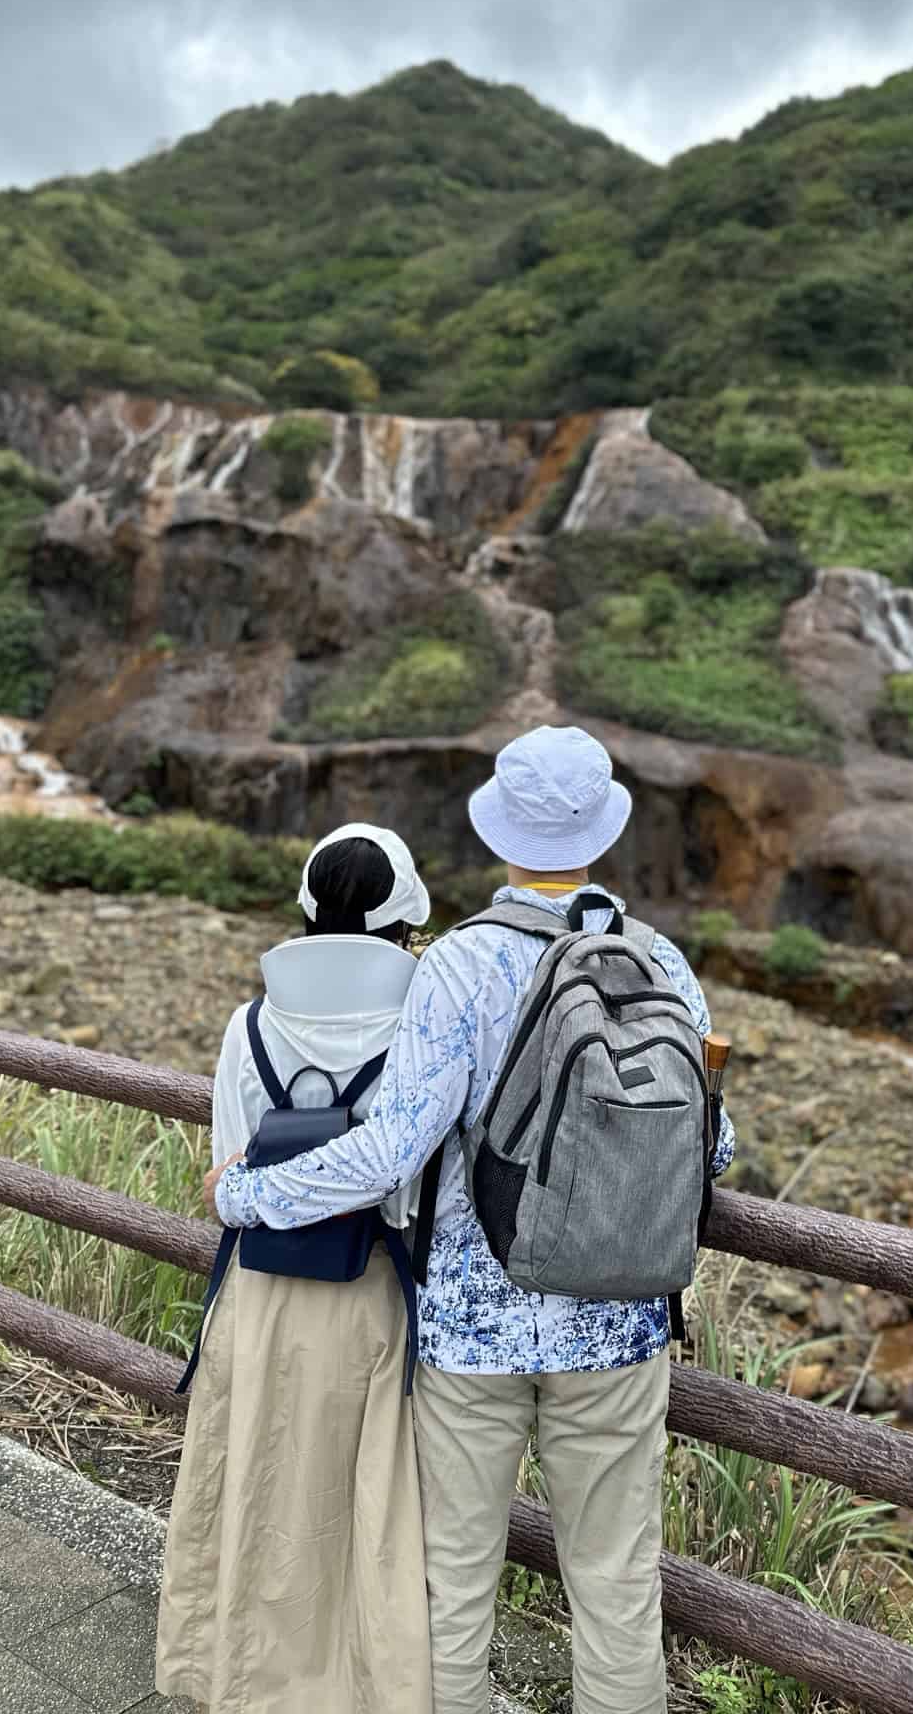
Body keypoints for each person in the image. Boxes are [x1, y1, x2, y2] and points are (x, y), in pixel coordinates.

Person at [213, 726, 737, 1714]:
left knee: (454, 1587)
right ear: (602, 831)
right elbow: (711, 1146)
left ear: (501, 835)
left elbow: (390, 1150)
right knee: (619, 1588)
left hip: (471, 1324)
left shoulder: (456, 963)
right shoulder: (660, 958)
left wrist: (247, 1193)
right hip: (619, 1323)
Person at [157, 823, 433, 1714]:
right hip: (371, 1292)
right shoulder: (420, 1023)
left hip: (259, 1287)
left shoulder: (251, 1024)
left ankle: (230, 1680)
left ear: (308, 909)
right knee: (357, 1511)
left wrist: (256, 1186)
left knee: (251, 1480)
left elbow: (230, 1168)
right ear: (405, 917)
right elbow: (413, 1186)